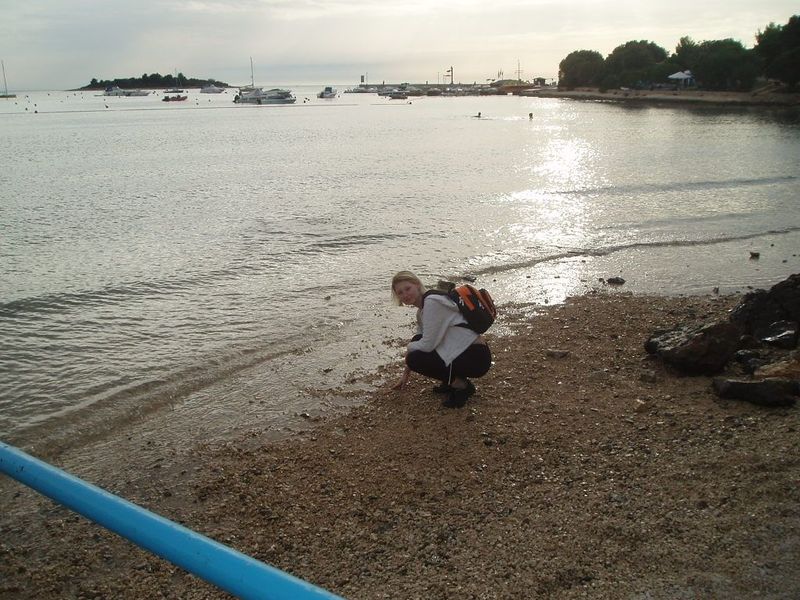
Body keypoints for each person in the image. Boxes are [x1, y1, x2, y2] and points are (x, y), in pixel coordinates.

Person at [391, 271, 492, 408]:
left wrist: (409, 348)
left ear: (417, 285)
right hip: (465, 352)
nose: (405, 295)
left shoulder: (432, 303)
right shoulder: (422, 311)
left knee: (416, 358)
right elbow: (418, 339)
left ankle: (462, 386)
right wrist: (405, 374)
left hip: (475, 357)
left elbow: (427, 345)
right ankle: (451, 380)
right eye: (400, 292)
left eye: (408, 288)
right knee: (416, 346)